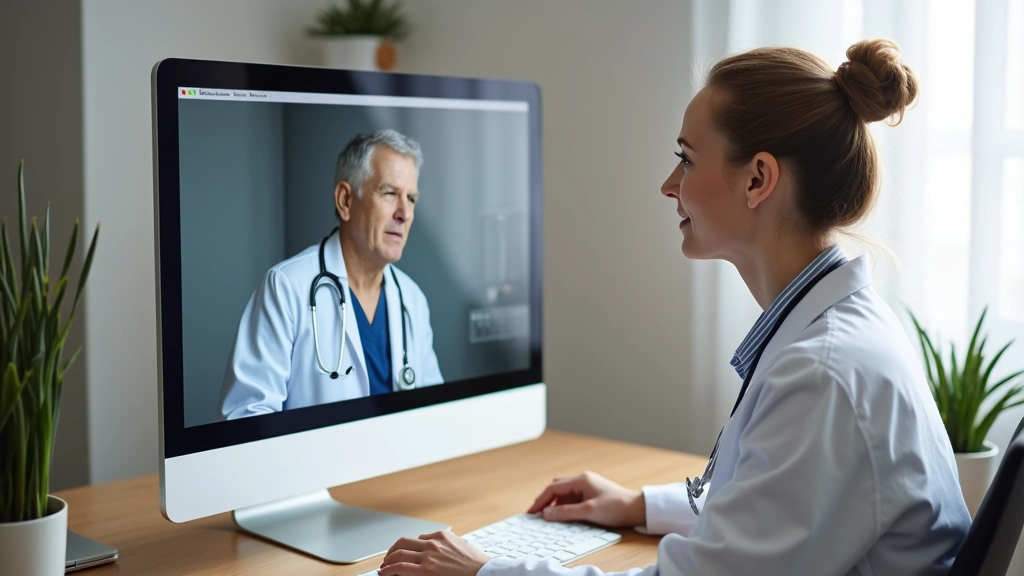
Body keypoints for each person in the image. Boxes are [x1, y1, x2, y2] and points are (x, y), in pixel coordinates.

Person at [375, 39, 972, 575]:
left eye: (687, 158)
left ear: (758, 179)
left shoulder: (823, 373)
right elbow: (782, 507)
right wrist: (638, 506)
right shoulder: (834, 331)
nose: (669, 184)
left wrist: (483, 572)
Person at [220, 129, 443, 419]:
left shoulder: (412, 299)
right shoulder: (286, 288)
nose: (405, 213)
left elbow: (433, 410)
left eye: (411, 198)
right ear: (345, 201)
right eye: (389, 193)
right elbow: (246, 416)